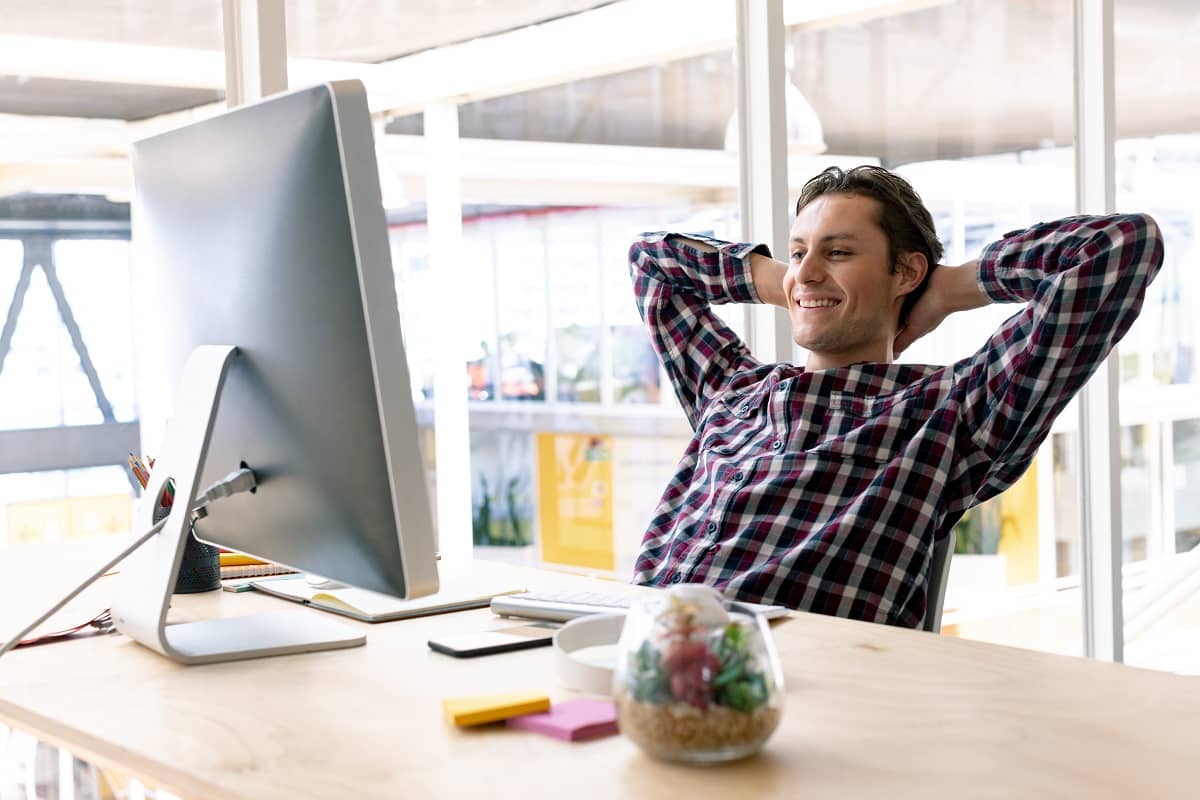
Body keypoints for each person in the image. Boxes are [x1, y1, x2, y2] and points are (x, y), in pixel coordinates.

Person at [627, 165, 1164, 628]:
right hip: (627, 654)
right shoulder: (731, 389)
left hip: (783, 687)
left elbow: (1119, 246)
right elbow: (650, 263)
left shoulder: (951, 411)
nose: (808, 268)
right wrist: (786, 281)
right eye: (798, 251)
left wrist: (951, 289)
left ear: (906, 272)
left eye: (837, 251)